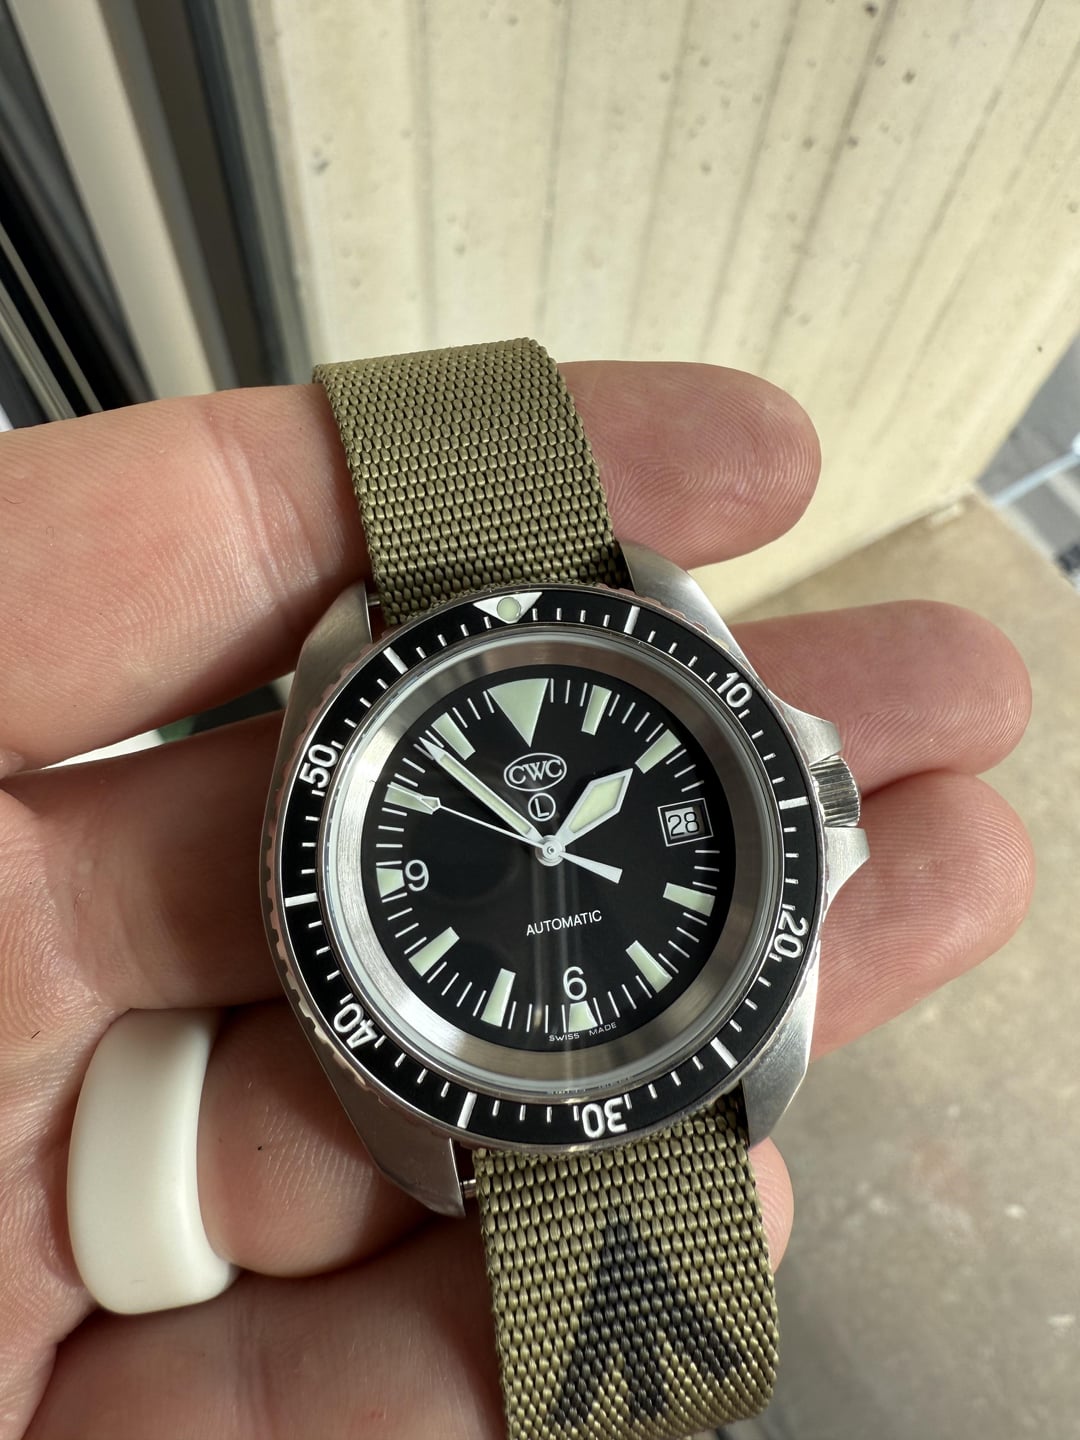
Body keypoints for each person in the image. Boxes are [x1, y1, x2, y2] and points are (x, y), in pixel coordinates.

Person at [0, 362, 1033, 1437]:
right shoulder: (436, 629)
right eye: (537, 835)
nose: (546, 843)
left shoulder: (617, 601)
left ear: (812, 797)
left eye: (563, 827)